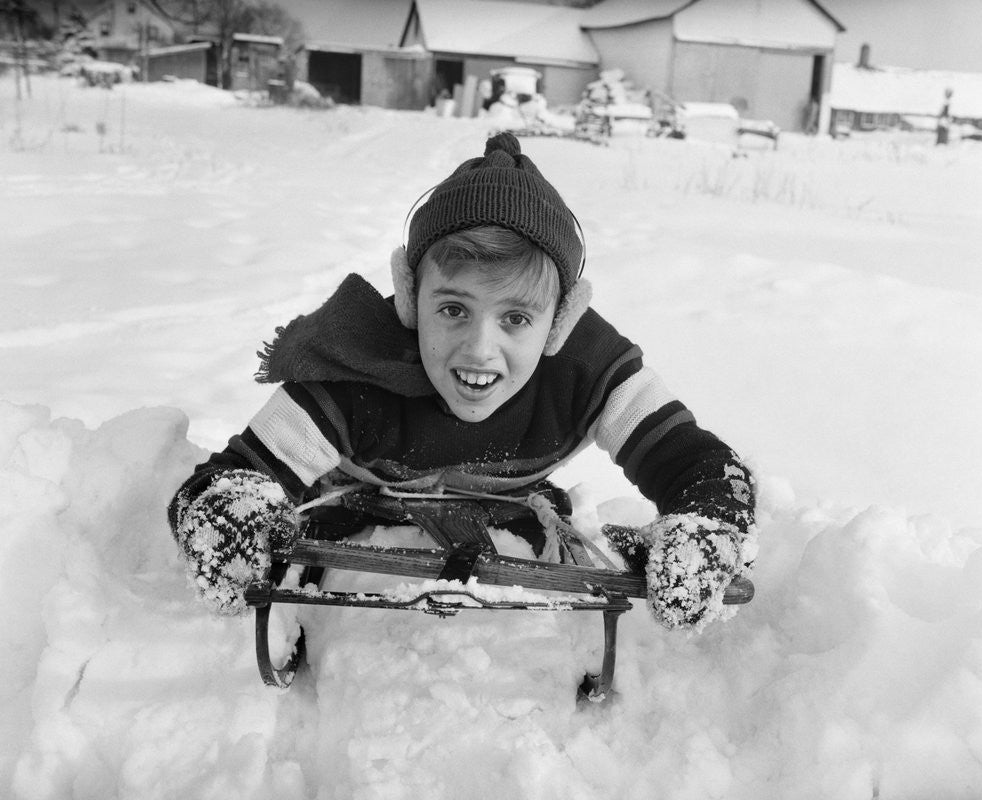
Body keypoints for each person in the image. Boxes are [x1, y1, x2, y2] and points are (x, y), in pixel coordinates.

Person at [167, 132, 757, 630]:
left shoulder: (588, 368)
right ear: (409, 298)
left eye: (516, 319)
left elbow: (701, 467)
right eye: (453, 309)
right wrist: (229, 517)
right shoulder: (356, 369)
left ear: (560, 322)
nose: (479, 349)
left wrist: (705, 530)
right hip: (359, 547)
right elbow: (227, 480)